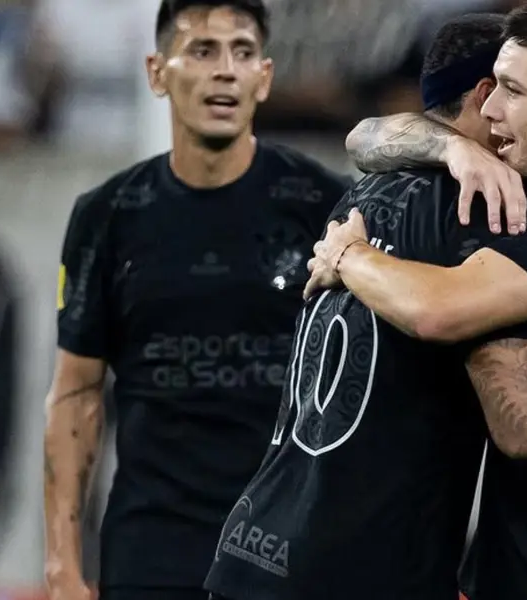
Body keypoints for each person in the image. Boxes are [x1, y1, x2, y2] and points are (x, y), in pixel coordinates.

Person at [205, 12, 527, 600]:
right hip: (369, 570)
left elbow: (368, 142)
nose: (494, 111)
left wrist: (351, 254)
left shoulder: (369, 194)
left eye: (514, 91)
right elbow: (526, 420)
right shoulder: (480, 209)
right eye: (496, 89)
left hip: (262, 545)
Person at [41, 2, 358, 600]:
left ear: (263, 78)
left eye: (242, 52)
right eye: (203, 51)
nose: (225, 71)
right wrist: (61, 563)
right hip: (153, 548)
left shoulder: (324, 203)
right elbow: (77, 391)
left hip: (286, 542)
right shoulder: (108, 216)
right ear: (157, 72)